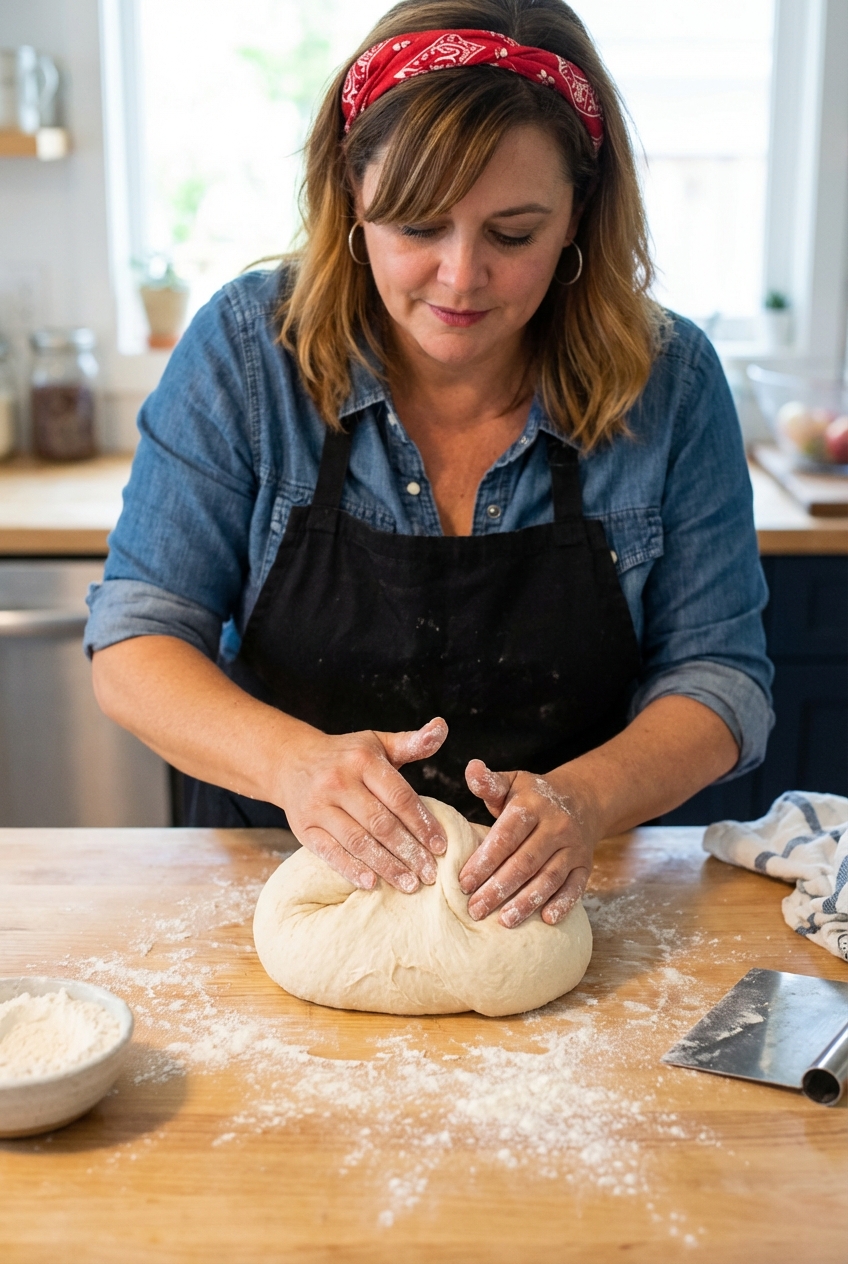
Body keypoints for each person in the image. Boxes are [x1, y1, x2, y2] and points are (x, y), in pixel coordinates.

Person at [86, 0, 773, 933]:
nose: (459, 278)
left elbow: (719, 679)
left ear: (579, 214)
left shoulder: (672, 382)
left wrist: (586, 801)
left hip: (568, 903)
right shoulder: (251, 351)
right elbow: (136, 642)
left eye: (513, 234)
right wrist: (294, 764)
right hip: (280, 888)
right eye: (416, 227)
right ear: (352, 200)